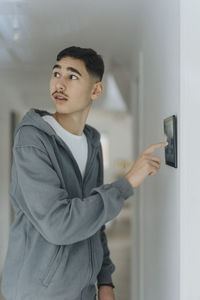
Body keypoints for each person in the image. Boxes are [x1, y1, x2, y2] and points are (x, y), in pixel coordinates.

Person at [1, 46, 168, 300]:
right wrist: (126, 184)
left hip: (82, 291)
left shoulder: (92, 143)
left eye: (72, 76)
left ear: (96, 90)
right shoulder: (32, 139)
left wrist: (105, 281)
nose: (60, 83)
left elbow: (94, 221)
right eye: (56, 73)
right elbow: (58, 224)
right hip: (37, 293)